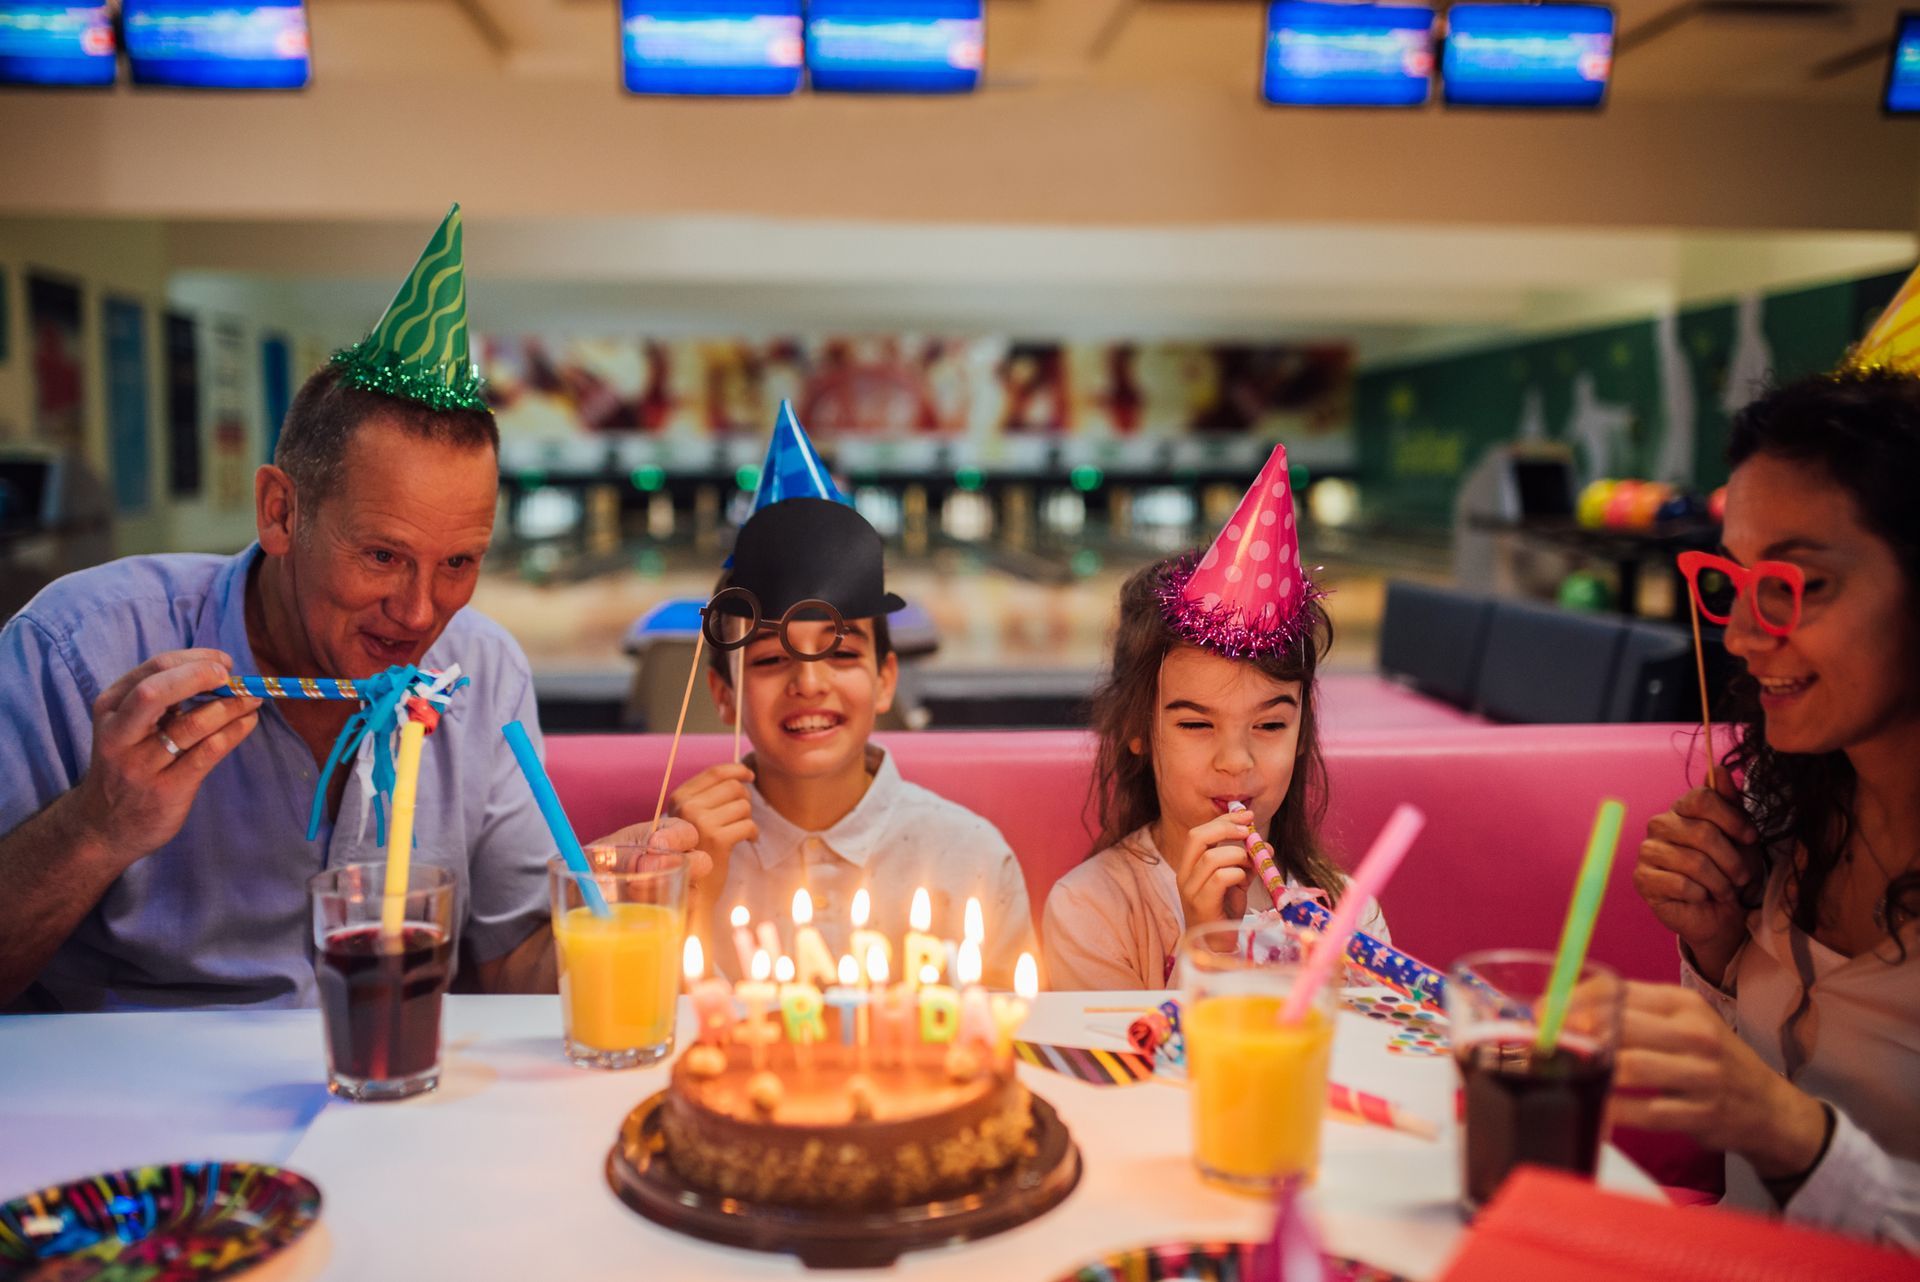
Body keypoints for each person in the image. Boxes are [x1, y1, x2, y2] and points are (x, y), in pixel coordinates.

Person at [0, 206, 690, 1012]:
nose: (421, 611)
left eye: (459, 563)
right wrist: (97, 827)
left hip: (393, 1087)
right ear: (280, 512)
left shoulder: (482, 670)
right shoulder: (80, 646)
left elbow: (511, 972)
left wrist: (612, 909)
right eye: (383, 556)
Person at [1620, 369, 1920, 1247]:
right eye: (1737, 580)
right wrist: (1716, 951)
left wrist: (1790, 1132)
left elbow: (1772, 1130)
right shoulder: (1778, 808)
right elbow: (1744, 1153)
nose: (1746, 635)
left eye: (1800, 582)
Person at [1044, 445, 1385, 990]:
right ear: (1137, 730)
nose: (1235, 762)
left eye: (1270, 725)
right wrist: (1208, 943)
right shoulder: (1091, 911)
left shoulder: (1350, 914)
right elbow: (1126, 1077)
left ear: (1302, 732)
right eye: (1196, 725)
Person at [670, 495, 1035, 985]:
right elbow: (642, 1034)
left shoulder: (973, 857)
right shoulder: (681, 858)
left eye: (840, 653)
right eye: (769, 660)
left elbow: (1013, 1034)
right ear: (725, 695)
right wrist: (688, 895)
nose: (810, 683)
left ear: (885, 680)